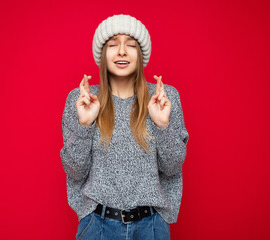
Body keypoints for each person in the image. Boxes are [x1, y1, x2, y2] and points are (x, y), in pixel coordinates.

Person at [60, 14, 189, 240]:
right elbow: (74, 171)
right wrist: (84, 125)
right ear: (102, 54)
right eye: (113, 45)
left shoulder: (164, 98)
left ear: (140, 54)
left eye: (130, 44)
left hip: (151, 228)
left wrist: (162, 125)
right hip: (97, 227)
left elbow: (172, 167)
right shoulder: (81, 100)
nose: (122, 51)